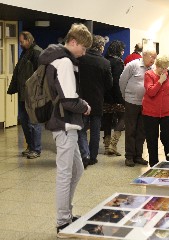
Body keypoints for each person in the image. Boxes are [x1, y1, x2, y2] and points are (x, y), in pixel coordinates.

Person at [37, 23, 93, 234]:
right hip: (65, 124)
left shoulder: (57, 59)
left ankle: (67, 214)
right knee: (65, 173)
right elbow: (69, 101)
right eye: (83, 48)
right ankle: (62, 221)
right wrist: (85, 106)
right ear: (72, 42)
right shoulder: (65, 63)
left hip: (65, 123)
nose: (84, 53)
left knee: (76, 169)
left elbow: (64, 95)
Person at [78, 35, 113, 168]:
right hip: (98, 100)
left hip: (81, 99)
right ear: (100, 47)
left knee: (81, 128)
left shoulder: (81, 59)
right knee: (95, 130)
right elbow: (109, 84)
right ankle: (93, 157)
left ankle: (84, 154)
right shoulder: (105, 63)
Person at [7, 31, 43, 159]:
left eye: (22, 41)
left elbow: (41, 75)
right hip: (23, 94)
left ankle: (36, 149)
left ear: (28, 40)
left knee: (34, 122)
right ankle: (31, 146)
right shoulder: (25, 52)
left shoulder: (38, 53)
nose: (20, 44)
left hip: (32, 94)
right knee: (24, 121)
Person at [119, 48, 157, 167]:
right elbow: (122, 81)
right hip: (131, 102)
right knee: (131, 129)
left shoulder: (152, 69)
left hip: (146, 103)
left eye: (155, 58)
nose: (153, 60)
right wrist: (126, 96)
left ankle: (138, 156)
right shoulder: (133, 65)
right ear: (144, 55)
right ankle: (129, 156)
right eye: (152, 57)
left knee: (142, 130)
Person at [142, 55, 169, 167]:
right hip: (150, 112)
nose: (164, 70)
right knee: (152, 139)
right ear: (157, 65)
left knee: (168, 138)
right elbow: (150, 92)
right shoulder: (148, 75)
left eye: (166, 68)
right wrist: (160, 81)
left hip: (167, 112)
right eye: (162, 68)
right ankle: (154, 165)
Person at [102, 40, 126, 156]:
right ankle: (113, 144)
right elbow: (117, 82)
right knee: (123, 116)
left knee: (107, 119)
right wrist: (120, 98)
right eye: (122, 49)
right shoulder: (118, 63)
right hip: (116, 95)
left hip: (105, 95)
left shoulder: (104, 60)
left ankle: (106, 146)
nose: (123, 51)